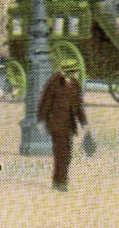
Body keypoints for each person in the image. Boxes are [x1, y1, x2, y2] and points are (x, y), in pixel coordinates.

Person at [37, 59, 88, 191]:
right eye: (73, 71)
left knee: (67, 153)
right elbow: (45, 101)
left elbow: (78, 107)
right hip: (56, 124)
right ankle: (60, 182)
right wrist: (41, 120)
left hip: (69, 125)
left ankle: (59, 179)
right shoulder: (54, 82)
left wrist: (83, 123)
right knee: (61, 153)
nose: (74, 74)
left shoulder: (75, 84)